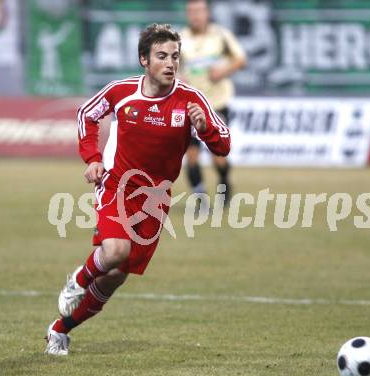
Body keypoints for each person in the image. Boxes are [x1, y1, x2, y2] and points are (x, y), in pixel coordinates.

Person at [45, 23, 230, 355]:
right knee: (115, 252)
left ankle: (60, 330)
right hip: (117, 185)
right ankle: (77, 280)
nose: (170, 63)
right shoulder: (121, 92)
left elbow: (224, 145)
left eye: (175, 56)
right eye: (161, 56)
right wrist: (92, 157)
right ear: (144, 60)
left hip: (155, 201)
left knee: (115, 276)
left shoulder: (190, 100)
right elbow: (86, 114)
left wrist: (205, 127)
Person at [180, 0, 246, 205]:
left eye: (199, 11)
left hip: (217, 103)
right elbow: (172, 66)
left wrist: (223, 71)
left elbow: (241, 59)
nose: (196, 15)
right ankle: (201, 200)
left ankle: (225, 181)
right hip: (191, 106)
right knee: (191, 156)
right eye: (192, 11)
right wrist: (178, 78)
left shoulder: (221, 35)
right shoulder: (180, 38)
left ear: (207, 13)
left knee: (219, 156)